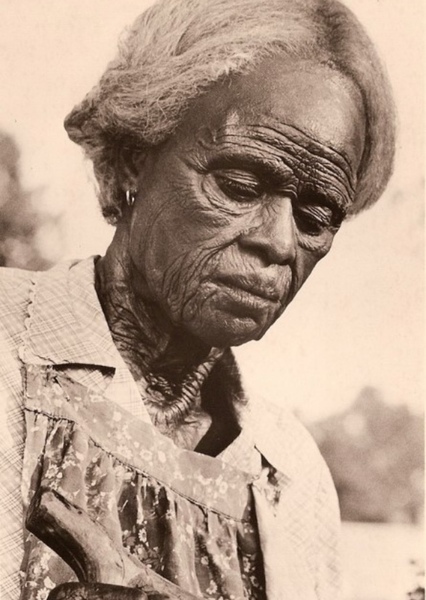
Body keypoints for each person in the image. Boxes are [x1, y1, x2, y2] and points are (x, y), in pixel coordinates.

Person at [0, 0, 395, 598]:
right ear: (132, 161)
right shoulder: (11, 349)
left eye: (316, 219)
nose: (280, 243)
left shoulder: (291, 473)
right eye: (239, 186)